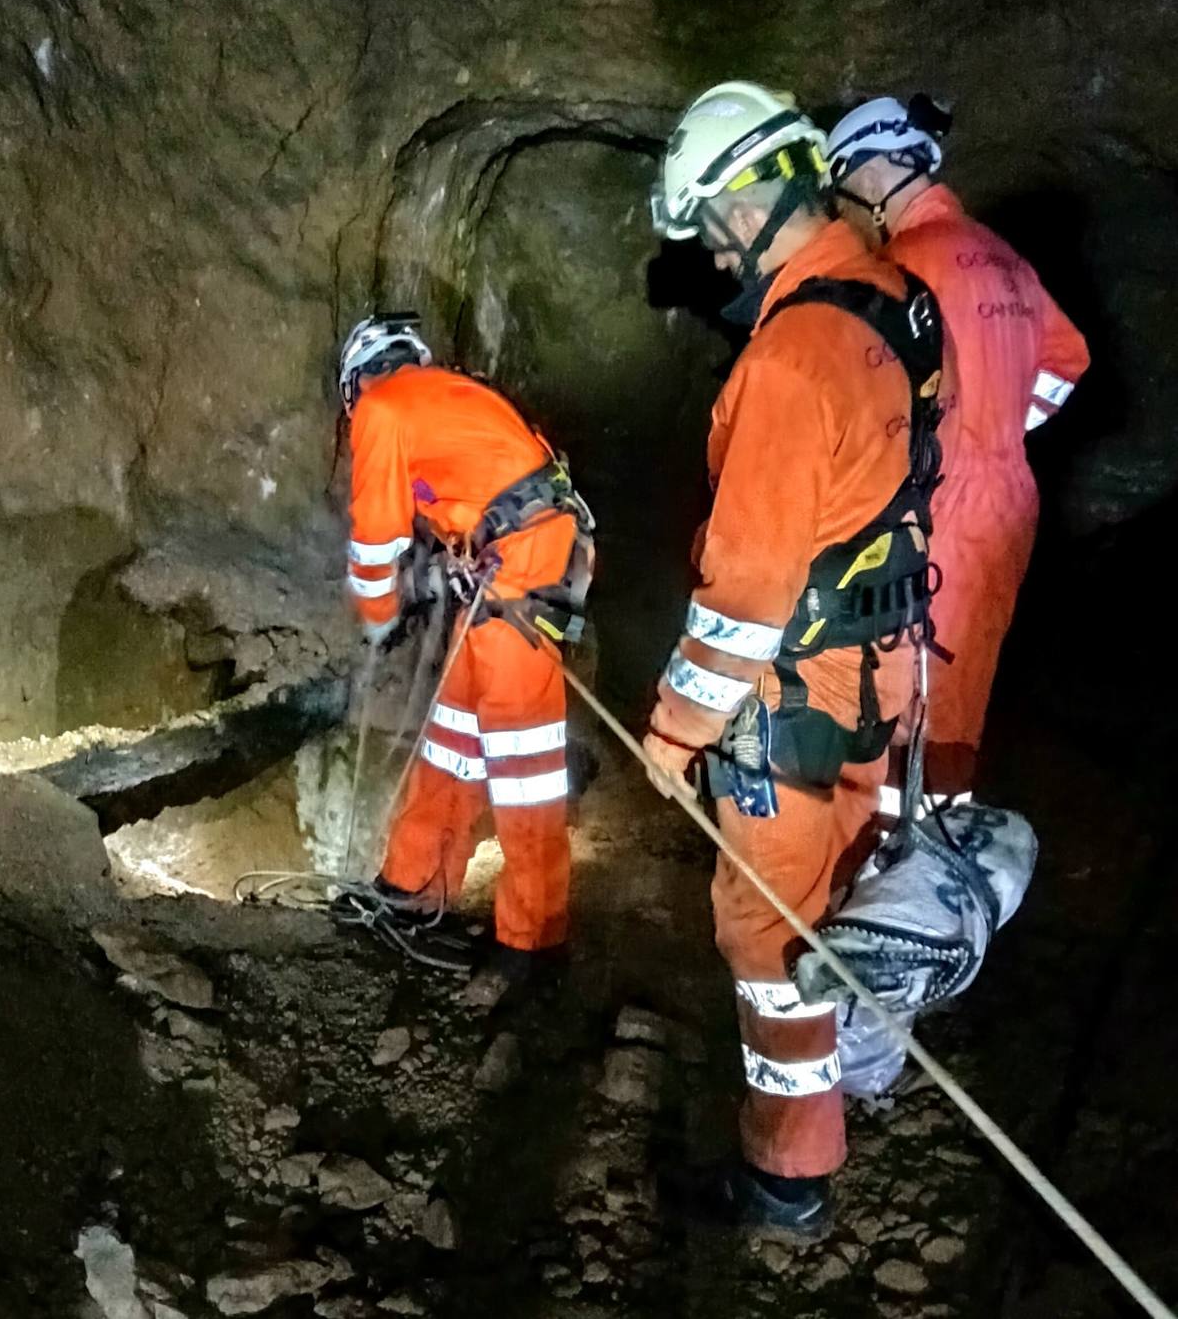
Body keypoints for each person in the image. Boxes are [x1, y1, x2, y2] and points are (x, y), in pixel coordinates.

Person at [644, 81, 945, 1233]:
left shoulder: (786, 359)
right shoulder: (895, 302)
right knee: (850, 899)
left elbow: (744, 598)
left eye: (713, 230)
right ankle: (858, 1078)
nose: (716, 261)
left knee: (770, 936)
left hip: (801, 697)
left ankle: (787, 1173)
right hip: (889, 671)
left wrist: (675, 733)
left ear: (750, 202)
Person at [826, 95, 1090, 802]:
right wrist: (1001, 424)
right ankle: (942, 861)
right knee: (960, 697)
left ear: (872, 174)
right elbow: (1069, 359)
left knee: (901, 701)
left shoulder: (905, 265)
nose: (841, 213)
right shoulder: (1004, 257)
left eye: (840, 189)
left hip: (940, 509)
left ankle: (896, 877)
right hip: (1008, 501)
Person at [332, 313, 593, 998]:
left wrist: (380, 615)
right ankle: (413, 886)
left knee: (522, 766)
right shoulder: (443, 397)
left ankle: (534, 942)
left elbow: (376, 540)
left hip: (523, 576)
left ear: (358, 382)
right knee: (452, 738)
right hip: (508, 561)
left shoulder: (383, 411)